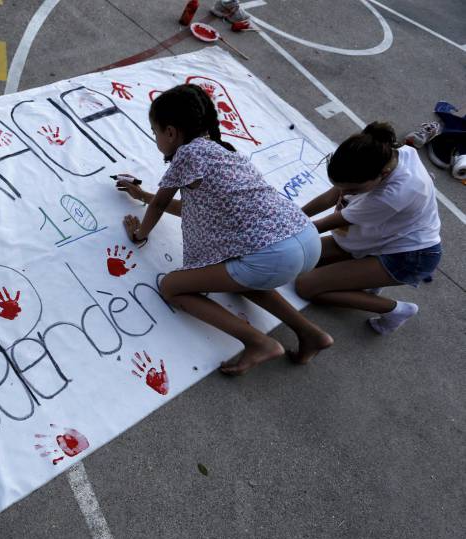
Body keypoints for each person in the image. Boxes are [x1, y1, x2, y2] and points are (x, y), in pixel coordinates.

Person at [118, 84, 332, 375]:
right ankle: (311, 333)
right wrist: (142, 196)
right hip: (305, 237)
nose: (156, 139)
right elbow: (191, 210)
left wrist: (139, 234)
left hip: (274, 255)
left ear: (171, 132)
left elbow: (159, 207)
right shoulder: (222, 151)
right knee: (240, 276)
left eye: (155, 132)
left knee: (172, 287)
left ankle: (258, 342)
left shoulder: (187, 155)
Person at [294, 123, 442, 334]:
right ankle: (367, 276)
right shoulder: (381, 155)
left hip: (410, 256)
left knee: (306, 285)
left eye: (353, 189)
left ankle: (395, 310)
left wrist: (282, 228)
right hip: (379, 237)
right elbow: (333, 194)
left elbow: (327, 223)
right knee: (301, 257)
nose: (345, 193)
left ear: (382, 175)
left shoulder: (393, 195)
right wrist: (294, 215)